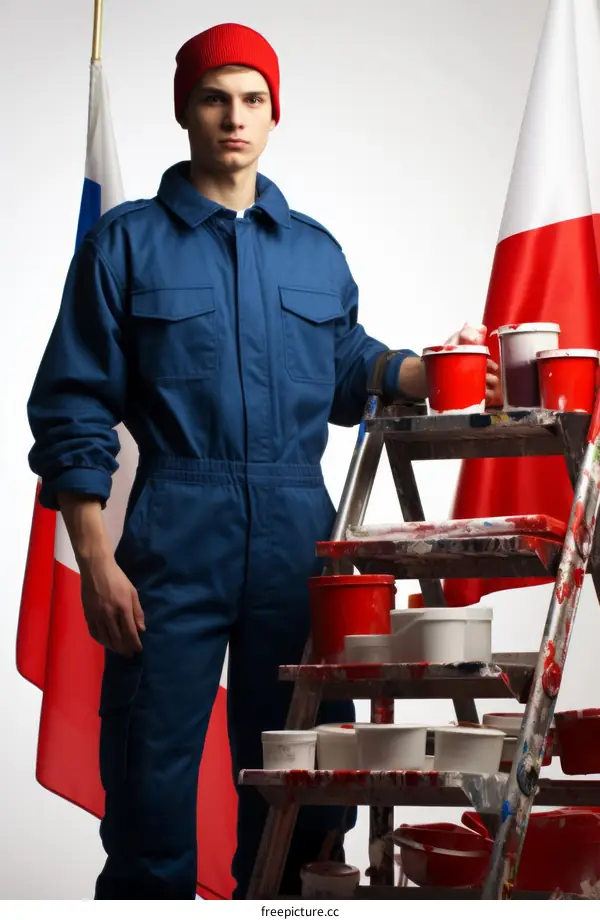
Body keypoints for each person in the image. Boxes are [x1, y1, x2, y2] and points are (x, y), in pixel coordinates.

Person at [27, 22, 499, 900]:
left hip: (294, 536)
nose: (233, 118)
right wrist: (95, 558)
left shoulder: (314, 250)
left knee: (307, 770)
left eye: (252, 100)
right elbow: (72, 404)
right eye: (214, 98)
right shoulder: (125, 244)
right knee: (149, 777)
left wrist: (424, 368)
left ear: (274, 114)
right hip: (175, 529)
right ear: (186, 111)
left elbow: (353, 366)